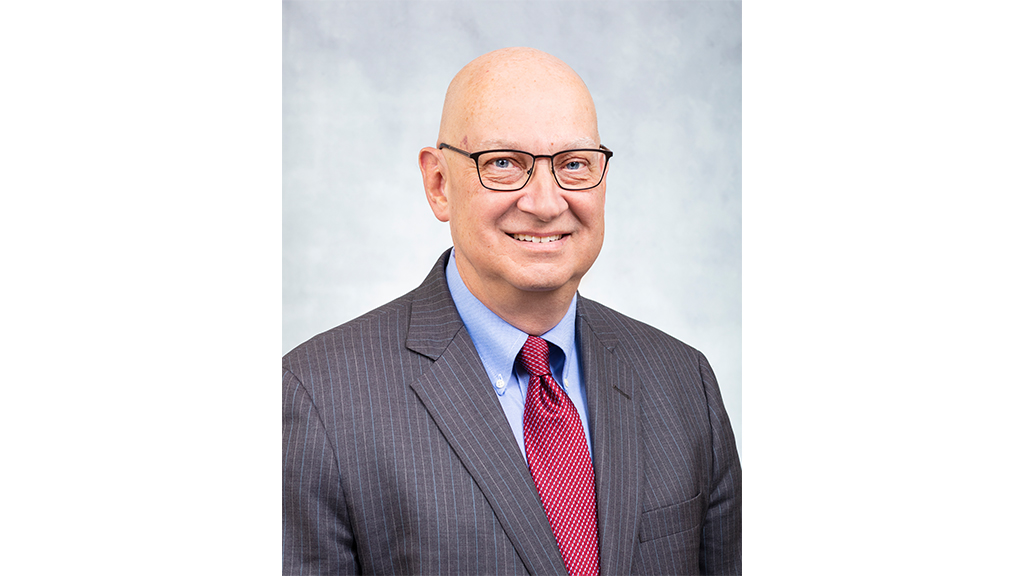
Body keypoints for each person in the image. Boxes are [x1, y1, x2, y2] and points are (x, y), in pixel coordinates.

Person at [283, 47, 741, 575]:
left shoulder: (685, 382)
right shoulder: (316, 398)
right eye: (503, 163)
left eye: (574, 164)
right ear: (438, 185)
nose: (546, 203)